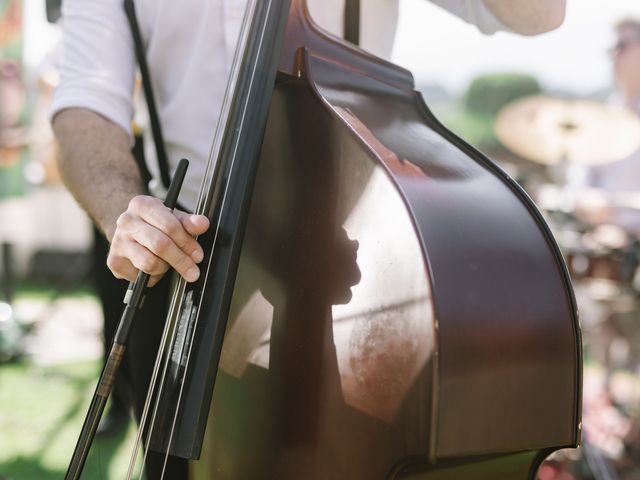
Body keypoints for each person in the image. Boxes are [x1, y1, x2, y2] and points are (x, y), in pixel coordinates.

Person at [49, 1, 566, 477]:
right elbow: (85, 106)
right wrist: (126, 213)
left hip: (355, 262)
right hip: (181, 261)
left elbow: (539, 14)